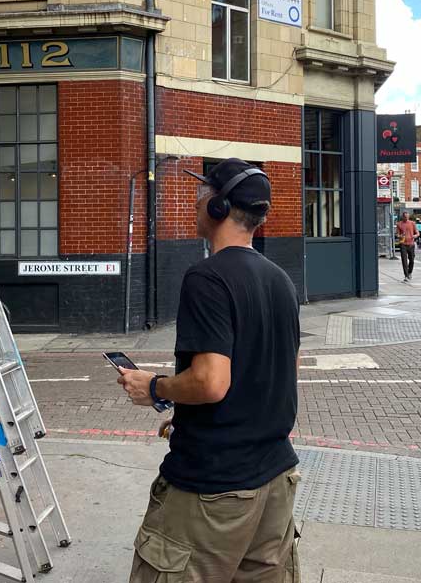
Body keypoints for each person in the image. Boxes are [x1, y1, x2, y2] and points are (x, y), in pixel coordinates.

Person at [117, 158, 300, 582]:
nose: (194, 203)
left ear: (217, 207)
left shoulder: (207, 278)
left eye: (201, 195)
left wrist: (155, 386)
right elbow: (284, 375)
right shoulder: (281, 281)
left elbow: (212, 381)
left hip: (213, 487)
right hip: (275, 481)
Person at [396, 212, 418, 282]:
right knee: (404, 261)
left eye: (407, 217)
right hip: (403, 244)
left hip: (411, 244)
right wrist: (400, 236)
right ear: (403, 217)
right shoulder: (399, 224)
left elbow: (417, 233)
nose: (406, 218)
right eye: (405, 217)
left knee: (412, 260)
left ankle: (410, 272)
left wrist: (415, 235)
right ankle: (406, 275)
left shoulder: (412, 223)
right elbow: (397, 234)